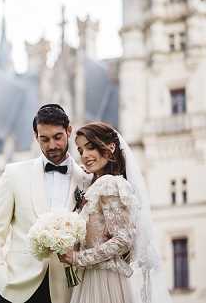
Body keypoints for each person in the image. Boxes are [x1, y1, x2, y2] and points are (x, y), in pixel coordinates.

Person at [0, 104, 91, 303]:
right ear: (36, 137)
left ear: (69, 131)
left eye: (57, 137)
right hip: (16, 289)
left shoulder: (87, 180)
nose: (51, 146)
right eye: (44, 139)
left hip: (68, 291)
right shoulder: (14, 174)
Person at [58, 122, 173, 303]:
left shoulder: (110, 184)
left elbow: (123, 239)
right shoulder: (94, 187)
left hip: (104, 280)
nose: (85, 155)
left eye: (91, 147)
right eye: (80, 151)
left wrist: (78, 258)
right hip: (89, 278)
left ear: (110, 147)